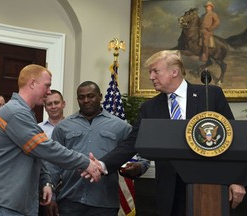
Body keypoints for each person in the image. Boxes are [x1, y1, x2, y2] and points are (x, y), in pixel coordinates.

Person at [84, 50, 246, 216]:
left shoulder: (210, 95)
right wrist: (102, 164)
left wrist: (237, 181)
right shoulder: (150, 107)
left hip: (210, 186)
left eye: (155, 71)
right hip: (170, 190)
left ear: (174, 72)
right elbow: (132, 142)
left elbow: (234, 139)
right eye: (150, 72)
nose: (151, 77)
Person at [0, 64, 102, 216]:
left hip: (16, 204)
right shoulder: (15, 112)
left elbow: (35, 154)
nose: (49, 91)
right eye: (47, 86)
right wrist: (85, 162)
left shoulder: (23, 112)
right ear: (33, 83)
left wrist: (46, 182)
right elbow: (43, 147)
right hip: (4, 204)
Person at [49, 81, 149, 216]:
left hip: (104, 202)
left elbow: (141, 151)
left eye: (91, 96)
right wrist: (51, 196)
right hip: (69, 200)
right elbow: (53, 164)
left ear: (100, 97)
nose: (86, 100)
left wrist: (140, 166)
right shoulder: (63, 127)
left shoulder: (120, 126)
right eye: (81, 97)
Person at [38, 89, 66, 216]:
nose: (53, 106)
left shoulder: (74, 127)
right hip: (44, 184)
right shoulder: (37, 129)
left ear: (63, 104)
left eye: (56, 102)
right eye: (49, 104)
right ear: (45, 107)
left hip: (69, 186)